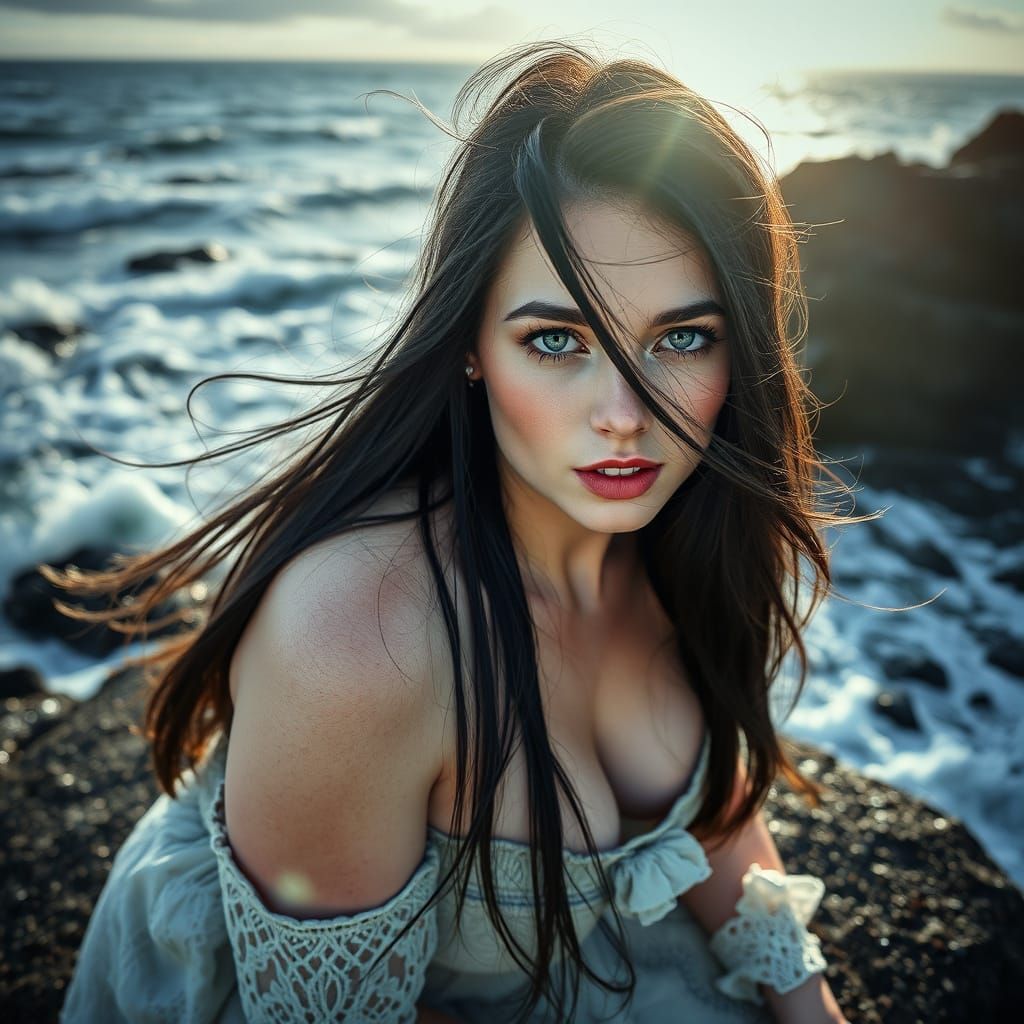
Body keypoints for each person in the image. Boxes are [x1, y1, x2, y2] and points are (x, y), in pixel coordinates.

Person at [53, 38, 866, 1023]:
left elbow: (717, 823)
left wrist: (810, 1009)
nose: (623, 412)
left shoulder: (671, 533)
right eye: (557, 339)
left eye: (681, 337)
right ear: (471, 344)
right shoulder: (359, 638)